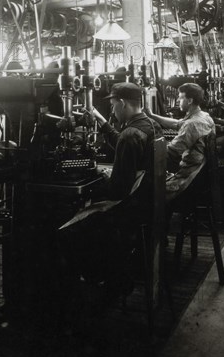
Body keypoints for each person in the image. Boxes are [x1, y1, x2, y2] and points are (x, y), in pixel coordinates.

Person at [62, 82, 163, 296]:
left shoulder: (130, 135)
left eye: (114, 105)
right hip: (150, 201)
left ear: (123, 103)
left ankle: (100, 282)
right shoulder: (151, 125)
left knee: (74, 227)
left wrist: (102, 176)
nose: (112, 110)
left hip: (132, 210)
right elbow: (125, 143)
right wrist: (101, 121)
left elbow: (117, 191)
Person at [146, 83, 215, 203]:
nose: (178, 100)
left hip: (190, 175)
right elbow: (177, 124)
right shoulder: (203, 116)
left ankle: (161, 218)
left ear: (189, 100)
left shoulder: (192, 124)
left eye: (181, 97)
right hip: (201, 169)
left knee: (149, 192)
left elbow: (170, 153)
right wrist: (152, 116)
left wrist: (150, 148)